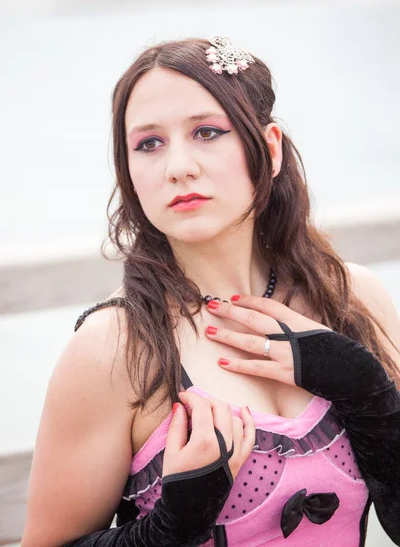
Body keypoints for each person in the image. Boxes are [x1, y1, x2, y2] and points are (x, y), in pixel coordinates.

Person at [22, 36, 400, 547]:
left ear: (268, 149)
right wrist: (169, 528)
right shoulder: (115, 346)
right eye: (148, 144)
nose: (178, 166)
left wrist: (367, 392)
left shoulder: (354, 299)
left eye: (206, 132)